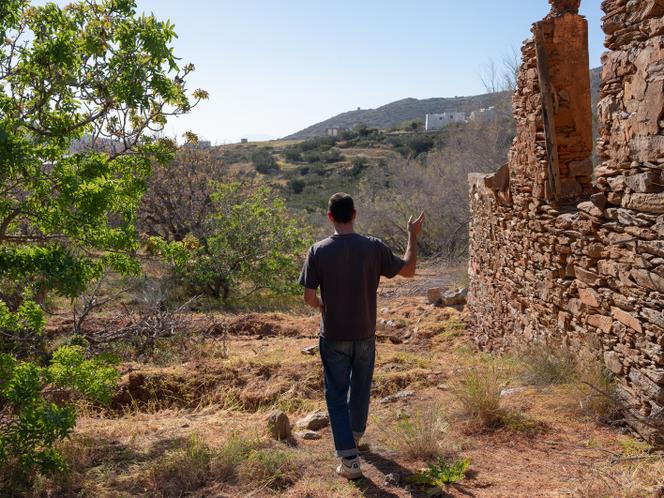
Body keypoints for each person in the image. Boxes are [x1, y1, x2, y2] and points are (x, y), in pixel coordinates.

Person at [299, 192, 425, 479]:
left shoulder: (318, 251)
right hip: (366, 331)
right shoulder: (373, 247)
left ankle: (350, 461)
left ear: (329, 217)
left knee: (336, 395)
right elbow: (409, 270)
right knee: (361, 388)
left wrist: (321, 305)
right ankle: (354, 435)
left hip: (333, 335)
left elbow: (308, 298)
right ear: (354, 214)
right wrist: (412, 235)